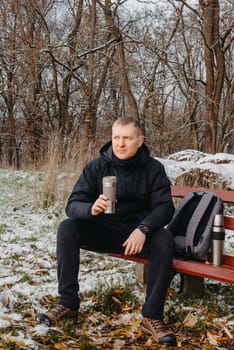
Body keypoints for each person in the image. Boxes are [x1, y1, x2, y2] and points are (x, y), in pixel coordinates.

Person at [37, 117, 177, 346]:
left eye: (127, 138)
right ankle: (68, 302)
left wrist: (144, 229)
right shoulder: (97, 166)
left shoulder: (153, 169)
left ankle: (152, 315)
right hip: (102, 230)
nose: (120, 144)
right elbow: (72, 204)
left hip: (136, 237)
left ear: (140, 141)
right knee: (67, 228)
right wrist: (91, 209)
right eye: (116, 138)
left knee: (164, 238)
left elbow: (165, 207)